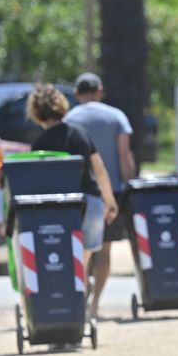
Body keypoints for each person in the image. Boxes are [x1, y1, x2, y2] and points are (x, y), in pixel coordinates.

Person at [27, 83, 119, 317]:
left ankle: (65, 312)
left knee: (62, 262)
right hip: (89, 205)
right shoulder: (79, 134)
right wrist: (110, 202)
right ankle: (86, 310)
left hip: (57, 210)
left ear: (36, 112)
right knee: (82, 263)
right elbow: (100, 171)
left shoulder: (40, 144)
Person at [64, 73, 136, 320]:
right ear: (100, 91)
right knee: (104, 250)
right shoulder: (116, 116)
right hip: (110, 193)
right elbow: (124, 155)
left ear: (76, 94)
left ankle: (80, 299)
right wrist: (128, 186)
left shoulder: (69, 119)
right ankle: (94, 305)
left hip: (78, 192)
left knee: (81, 251)